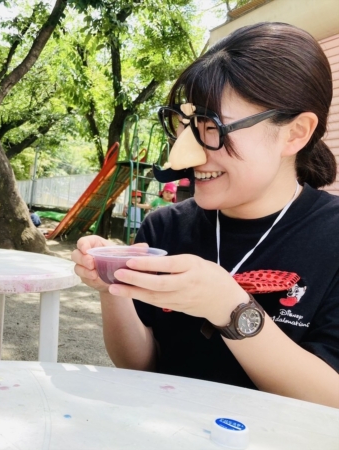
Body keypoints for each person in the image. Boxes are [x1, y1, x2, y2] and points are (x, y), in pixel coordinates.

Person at [72, 22, 339, 407]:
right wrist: (112, 289)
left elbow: (331, 399)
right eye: (183, 125)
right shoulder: (164, 227)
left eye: (210, 126)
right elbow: (141, 365)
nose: (183, 155)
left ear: (295, 133)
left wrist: (229, 307)